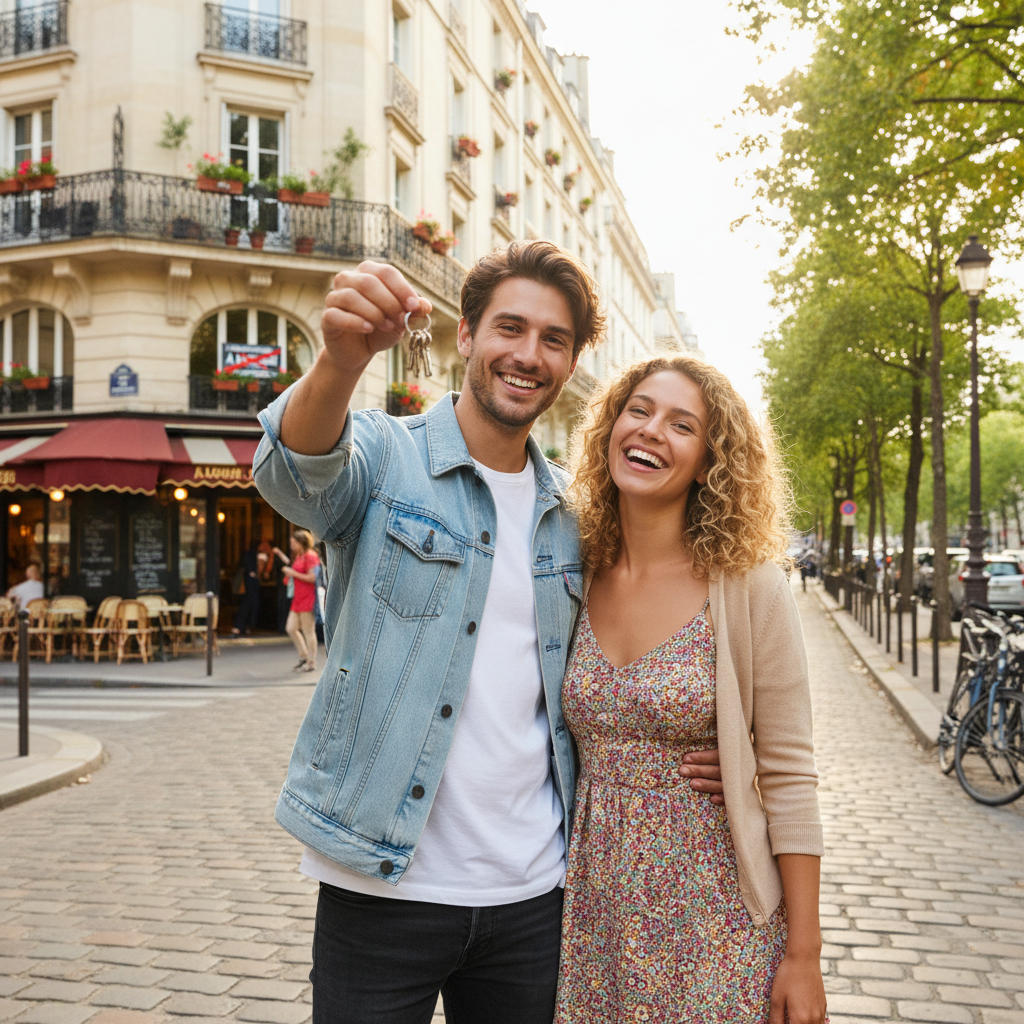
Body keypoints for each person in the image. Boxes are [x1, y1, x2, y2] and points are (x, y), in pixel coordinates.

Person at [253, 241, 725, 1024]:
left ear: (571, 363)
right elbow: (294, 474)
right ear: (465, 335)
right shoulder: (386, 455)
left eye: (554, 339)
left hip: (535, 896)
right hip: (382, 888)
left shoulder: (577, 519)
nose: (529, 354)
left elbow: (638, 646)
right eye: (510, 327)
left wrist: (720, 751)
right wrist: (337, 363)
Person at [556, 355, 826, 1023]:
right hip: (589, 909)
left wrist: (804, 956)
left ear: (710, 461)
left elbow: (790, 772)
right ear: (611, 428)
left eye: (682, 425)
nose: (650, 431)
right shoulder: (571, 565)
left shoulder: (750, 584)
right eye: (639, 410)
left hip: (714, 913)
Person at [274, 530, 320, 672]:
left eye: (294, 543)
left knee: (308, 631)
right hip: (297, 598)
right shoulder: (299, 556)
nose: (292, 545)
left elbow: (312, 578)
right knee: (291, 628)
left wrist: (293, 573)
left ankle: (311, 662)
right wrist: (290, 577)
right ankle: (304, 656)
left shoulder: (310, 556)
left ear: (302, 543)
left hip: (308, 598)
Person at [231, 539, 262, 636]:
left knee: (246, 605)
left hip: (248, 585)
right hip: (251, 585)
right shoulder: (253, 556)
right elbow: (255, 573)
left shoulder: (247, 555)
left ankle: (242, 627)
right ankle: (242, 626)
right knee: (248, 605)